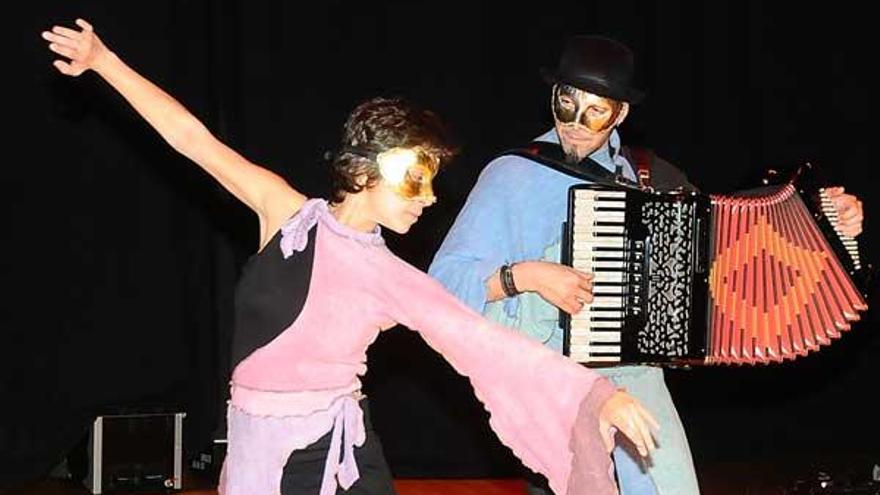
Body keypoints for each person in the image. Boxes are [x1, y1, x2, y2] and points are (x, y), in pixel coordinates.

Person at [42, 19, 665, 495]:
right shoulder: (285, 213)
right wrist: (105, 63)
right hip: (262, 450)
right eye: (416, 181)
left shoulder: (387, 274)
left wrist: (592, 394)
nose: (426, 201)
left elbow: (485, 344)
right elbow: (190, 139)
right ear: (371, 171)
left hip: (340, 444)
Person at [428, 35, 865, 495]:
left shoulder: (646, 177)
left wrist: (829, 222)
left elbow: (735, 236)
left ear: (621, 113)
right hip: (547, 373)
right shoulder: (512, 176)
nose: (575, 124)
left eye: (595, 110)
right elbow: (441, 286)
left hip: (632, 370)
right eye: (566, 103)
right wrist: (527, 276)